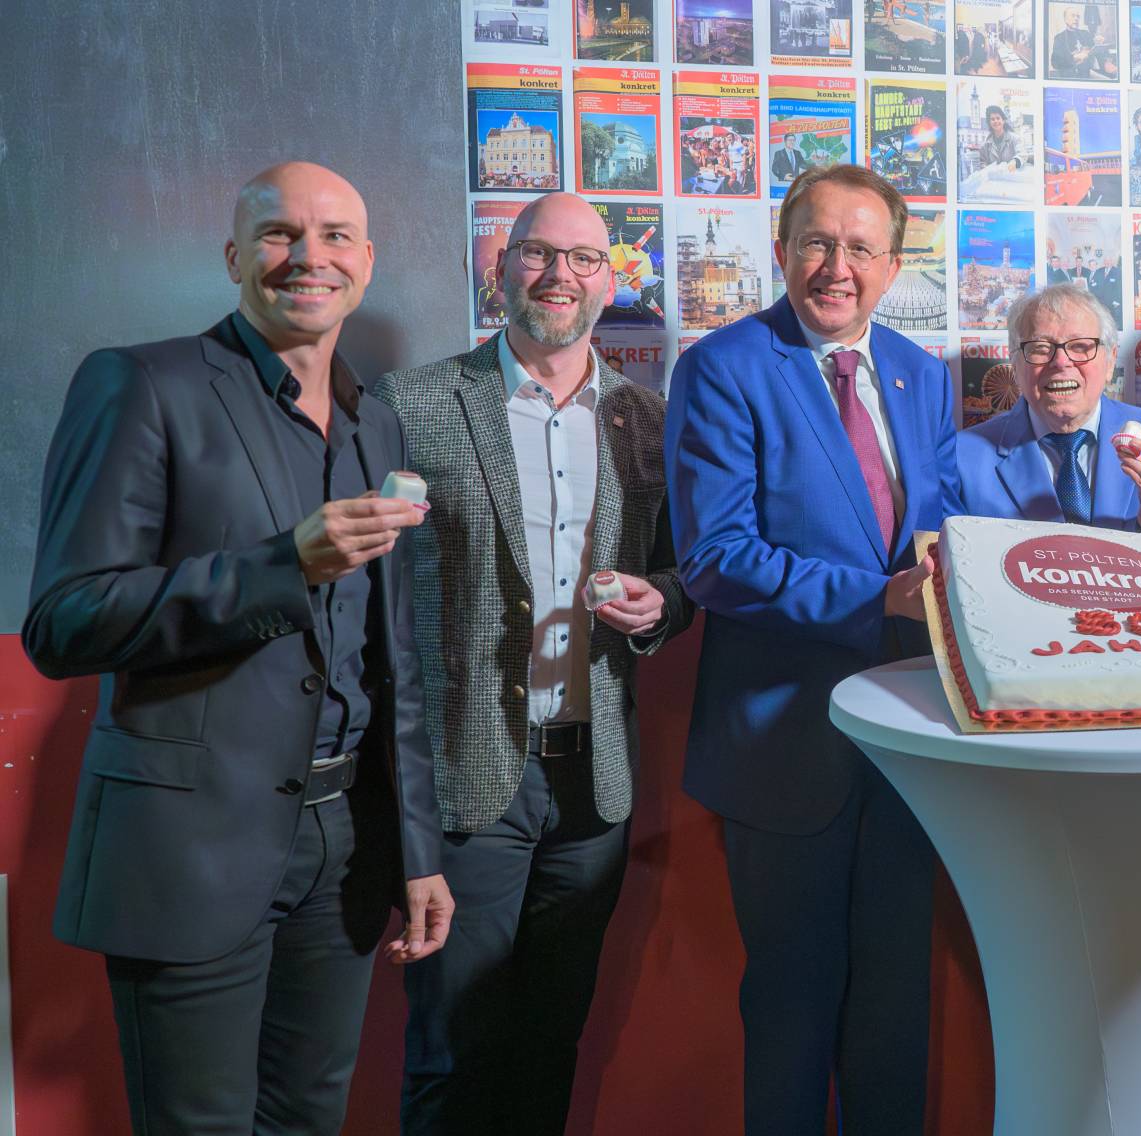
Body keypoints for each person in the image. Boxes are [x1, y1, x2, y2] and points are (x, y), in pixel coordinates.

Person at [24, 161, 452, 1133]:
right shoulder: (142, 383)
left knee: (309, 1117)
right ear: (233, 256)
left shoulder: (374, 419)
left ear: (368, 262)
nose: (309, 256)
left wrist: (417, 848)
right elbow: (64, 619)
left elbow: (397, 662)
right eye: (278, 233)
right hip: (191, 843)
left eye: (336, 235)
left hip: (343, 844)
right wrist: (278, 566)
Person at [376, 192, 693, 1136]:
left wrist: (660, 607)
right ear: (501, 268)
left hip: (592, 783)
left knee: (550, 1041)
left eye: (585, 260)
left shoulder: (646, 418)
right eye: (538, 255)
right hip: (468, 778)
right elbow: (375, 596)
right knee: (451, 1051)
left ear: (611, 280)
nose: (560, 276)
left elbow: (679, 573)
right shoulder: (416, 402)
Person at [666, 163, 959, 1136]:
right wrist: (877, 597)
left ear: (893, 263)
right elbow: (714, 558)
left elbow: (941, 530)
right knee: (792, 1006)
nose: (838, 267)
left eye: (861, 248)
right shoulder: (723, 367)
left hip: (910, 746)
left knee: (893, 1006)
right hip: (784, 747)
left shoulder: (926, 374)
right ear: (783, 250)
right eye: (817, 244)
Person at [956, 282, 1141, 552]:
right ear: (1016, 364)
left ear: (1111, 361)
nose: (1061, 362)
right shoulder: (962, 457)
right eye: (1041, 348)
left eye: (1080, 347)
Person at [1050, 5, 1095, 78]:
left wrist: (1097, 44)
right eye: (1073, 16)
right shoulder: (1059, 38)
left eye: (1078, 16)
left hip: (1086, 76)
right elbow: (1055, 63)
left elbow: (1094, 52)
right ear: (1065, 19)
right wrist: (1074, 57)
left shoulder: (1086, 34)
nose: (1076, 19)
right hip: (1068, 77)